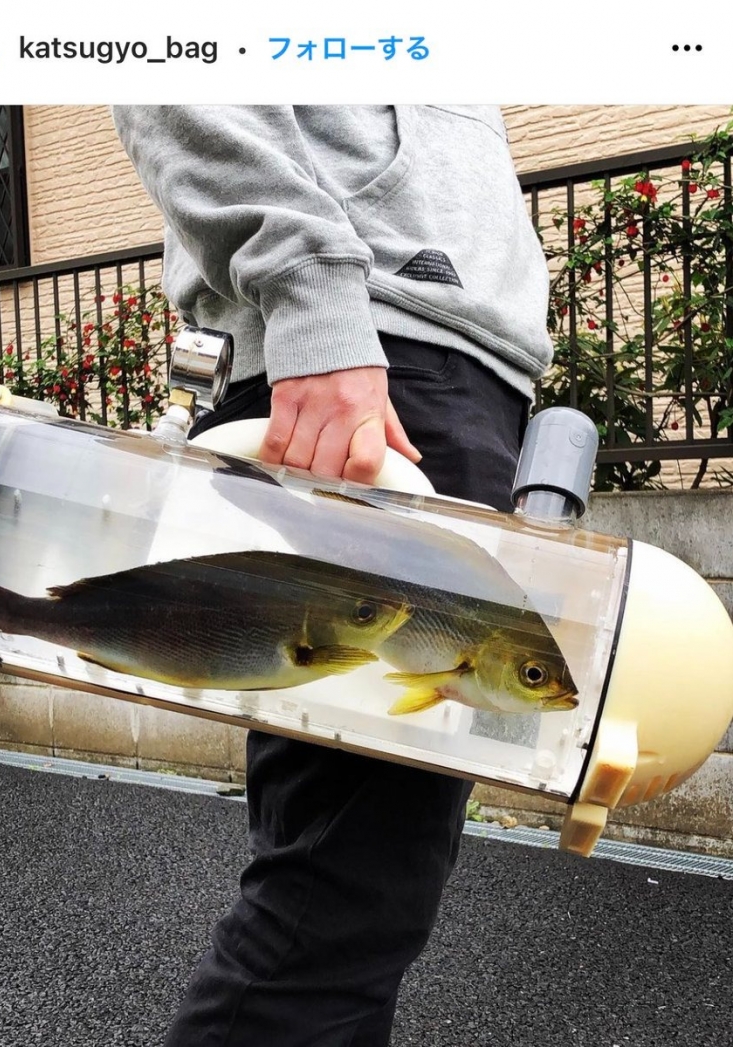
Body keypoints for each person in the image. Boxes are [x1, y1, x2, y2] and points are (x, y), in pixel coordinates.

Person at [113, 105, 553, 1046]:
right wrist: (315, 304)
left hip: (445, 370)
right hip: (372, 368)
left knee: (365, 889)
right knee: (344, 890)